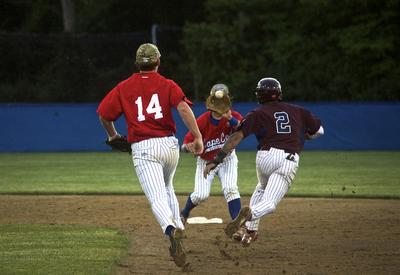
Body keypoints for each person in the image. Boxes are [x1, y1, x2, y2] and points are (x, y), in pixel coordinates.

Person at [97, 43, 203, 267]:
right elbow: (183, 108)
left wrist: (114, 136)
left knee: (156, 197)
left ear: (137, 64)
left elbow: (104, 114)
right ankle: (180, 228)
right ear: (158, 61)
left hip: (144, 148)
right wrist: (197, 136)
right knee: (167, 187)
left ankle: (171, 230)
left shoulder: (124, 87)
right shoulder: (168, 84)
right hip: (169, 146)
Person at [204, 77, 324, 246]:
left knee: (261, 188)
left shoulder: (257, 113)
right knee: (270, 203)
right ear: (279, 93)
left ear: (260, 95)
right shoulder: (298, 111)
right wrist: (305, 136)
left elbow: (236, 137)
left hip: (264, 157)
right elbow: (319, 131)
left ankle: (251, 230)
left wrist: (216, 159)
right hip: (287, 159)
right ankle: (248, 215)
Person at [180, 84, 243, 224]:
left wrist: (230, 118)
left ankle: (237, 224)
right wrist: (188, 147)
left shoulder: (234, 116)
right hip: (205, 161)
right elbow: (184, 145)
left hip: (227, 159)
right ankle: (184, 213)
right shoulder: (203, 120)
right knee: (200, 195)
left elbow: (242, 129)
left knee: (231, 189)